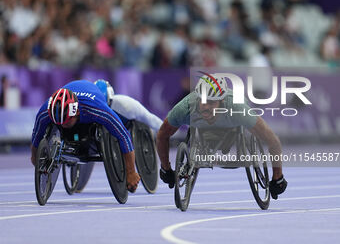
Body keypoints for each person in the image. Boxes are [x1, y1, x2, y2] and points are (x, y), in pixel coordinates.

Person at [156, 73, 287, 200]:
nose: (206, 107)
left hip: (231, 130)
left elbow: (273, 141)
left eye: (212, 103)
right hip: (202, 131)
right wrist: (166, 169)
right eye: (203, 102)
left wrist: (278, 176)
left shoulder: (238, 109)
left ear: (222, 101)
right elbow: (162, 135)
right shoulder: (184, 108)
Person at [31, 80, 140, 192]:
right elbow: (36, 136)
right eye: (59, 122)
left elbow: (123, 135)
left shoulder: (96, 108)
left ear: (76, 112)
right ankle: (64, 127)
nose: (63, 125)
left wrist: (131, 172)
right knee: (51, 125)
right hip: (69, 105)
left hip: (89, 108)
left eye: (66, 122)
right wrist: (36, 158)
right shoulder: (45, 111)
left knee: (98, 131)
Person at [94, 79, 163, 132]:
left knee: (149, 119)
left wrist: (164, 131)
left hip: (129, 114)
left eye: (106, 105)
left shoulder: (126, 105)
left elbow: (149, 119)